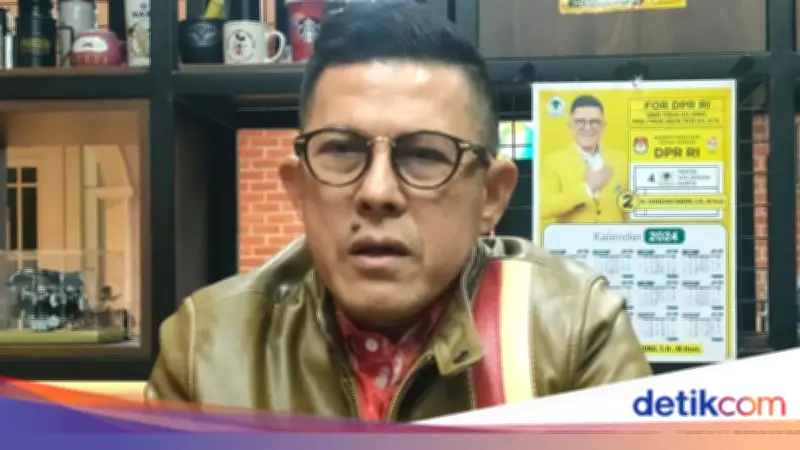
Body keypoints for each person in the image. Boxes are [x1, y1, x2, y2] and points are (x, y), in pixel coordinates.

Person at [146, 3, 651, 421]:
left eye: (425, 154)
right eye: (341, 150)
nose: (378, 192)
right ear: (298, 189)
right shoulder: (206, 352)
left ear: (492, 195)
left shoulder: (572, 333)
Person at [539, 95, 629, 225]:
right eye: (580, 121)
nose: (587, 127)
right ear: (570, 125)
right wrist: (587, 189)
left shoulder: (621, 159)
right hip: (572, 238)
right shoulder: (554, 161)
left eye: (594, 122)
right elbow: (544, 208)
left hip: (612, 237)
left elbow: (629, 208)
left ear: (604, 126)